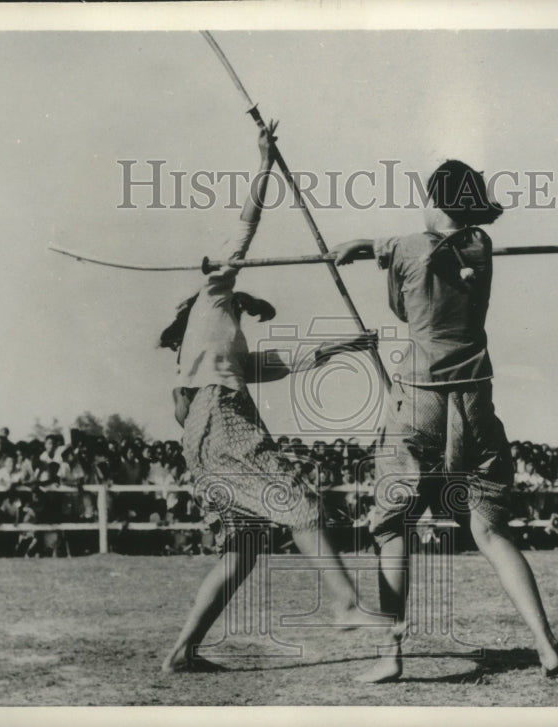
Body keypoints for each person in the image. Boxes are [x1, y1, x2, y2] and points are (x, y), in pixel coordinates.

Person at [158, 121, 388, 673]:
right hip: (221, 418)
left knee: (245, 548)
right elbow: (243, 233)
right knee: (299, 504)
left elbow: (273, 364)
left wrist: (343, 346)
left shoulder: (217, 346)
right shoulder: (213, 296)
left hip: (210, 424)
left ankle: (183, 652)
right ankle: (345, 605)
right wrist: (263, 164)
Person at [333, 159, 558, 682]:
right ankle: (545, 645)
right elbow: (434, 246)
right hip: (475, 401)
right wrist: (373, 244)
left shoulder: (409, 247)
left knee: (393, 528)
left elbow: (400, 306)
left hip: (420, 401)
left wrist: (366, 246)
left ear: (435, 203)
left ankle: (390, 656)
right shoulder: (480, 247)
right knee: (489, 528)